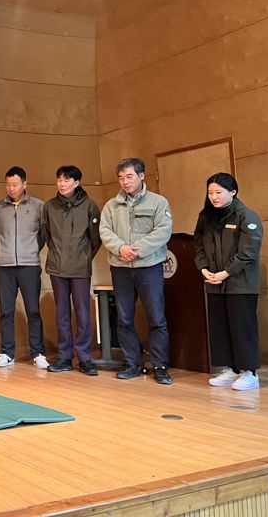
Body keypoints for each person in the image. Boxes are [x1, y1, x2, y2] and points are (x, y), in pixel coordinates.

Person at [99, 158, 173, 384]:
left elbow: (163, 231)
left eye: (129, 176)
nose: (125, 182)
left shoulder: (159, 202)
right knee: (124, 318)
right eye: (121, 178)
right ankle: (132, 362)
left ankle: (160, 366)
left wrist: (137, 250)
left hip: (149, 267)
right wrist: (121, 248)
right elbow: (105, 231)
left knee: (156, 317)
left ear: (142, 176)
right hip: (121, 268)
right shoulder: (111, 205)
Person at [194, 173, 263, 391]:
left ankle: (249, 371)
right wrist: (204, 268)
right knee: (220, 327)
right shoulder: (206, 217)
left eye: (219, 192)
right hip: (214, 282)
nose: (214, 197)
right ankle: (230, 368)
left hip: (240, 283)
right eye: (210, 192)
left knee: (242, 327)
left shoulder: (246, 216)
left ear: (233, 192)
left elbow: (248, 252)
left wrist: (226, 272)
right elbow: (199, 246)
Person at [42, 165, 102, 376]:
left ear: (76, 183)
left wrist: (84, 257)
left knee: (83, 313)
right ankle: (64, 356)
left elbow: (95, 240)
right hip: (57, 267)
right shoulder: (49, 206)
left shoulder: (90, 206)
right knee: (62, 314)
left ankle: (85, 357)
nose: (62, 183)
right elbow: (47, 235)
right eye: (59, 179)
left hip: (79, 268)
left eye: (67, 180)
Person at [0, 166, 48, 369]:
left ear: (25, 184)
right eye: (8, 184)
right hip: (5, 266)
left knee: (33, 310)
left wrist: (31, 250)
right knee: (6, 311)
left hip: (29, 265)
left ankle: (38, 353)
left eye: (15, 184)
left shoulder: (38, 206)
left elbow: (42, 235)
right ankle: (7, 353)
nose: (11, 188)